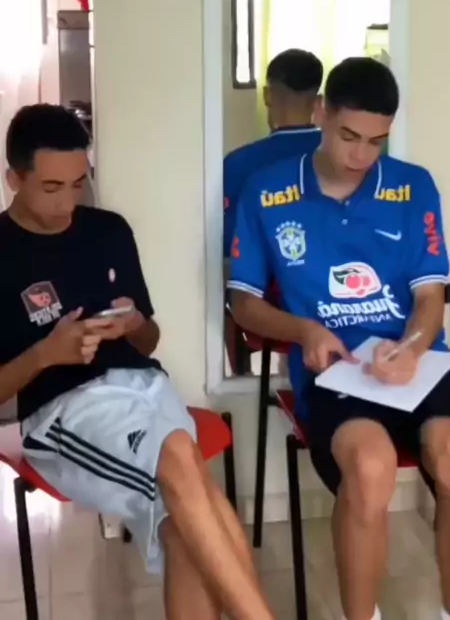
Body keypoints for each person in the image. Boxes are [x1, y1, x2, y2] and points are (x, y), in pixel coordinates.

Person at [0, 104, 277, 620]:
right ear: (14, 177)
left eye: (78, 184)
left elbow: (148, 341)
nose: (67, 203)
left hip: (146, 387)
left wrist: (132, 324)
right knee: (181, 463)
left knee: (185, 526)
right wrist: (47, 353)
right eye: (51, 188)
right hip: (64, 411)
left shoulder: (108, 230)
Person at [229, 57, 450, 620]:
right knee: (370, 465)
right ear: (321, 112)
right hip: (335, 370)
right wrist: (303, 330)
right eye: (348, 136)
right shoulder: (267, 191)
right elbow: (244, 303)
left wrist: (412, 348)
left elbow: (429, 297)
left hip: (414, 364)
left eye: (376, 141)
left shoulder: (413, 187)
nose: (362, 155)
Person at [223, 48, 323, 258]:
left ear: (267, 95)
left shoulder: (238, 164)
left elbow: (228, 242)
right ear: (318, 101)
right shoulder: (336, 157)